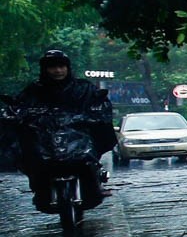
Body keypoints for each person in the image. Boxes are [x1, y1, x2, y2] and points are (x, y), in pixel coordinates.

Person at [14, 49, 115, 211]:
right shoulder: (34, 91)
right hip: (45, 141)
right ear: (45, 69)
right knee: (31, 157)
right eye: (53, 67)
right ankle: (40, 192)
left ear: (67, 68)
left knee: (88, 159)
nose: (58, 71)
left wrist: (94, 113)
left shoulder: (83, 88)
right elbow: (20, 108)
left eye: (61, 66)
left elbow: (98, 104)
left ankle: (94, 186)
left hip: (78, 140)